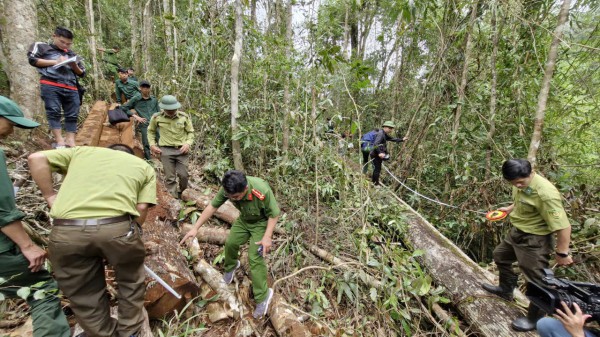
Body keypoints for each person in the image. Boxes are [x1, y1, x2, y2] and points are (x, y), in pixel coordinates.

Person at [28, 144, 157, 337]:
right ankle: (129, 332)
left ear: (106, 149)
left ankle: (103, 333)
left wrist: (50, 195)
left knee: (83, 291)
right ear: (130, 155)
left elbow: (36, 158)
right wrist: (130, 236)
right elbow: (141, 208)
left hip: (67, 231)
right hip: (116, 227)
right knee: (130, 280)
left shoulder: (81, 152)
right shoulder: (143, 166)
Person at [0, 96, 71, 337]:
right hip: (3, 249)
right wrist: (27, 245)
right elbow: (2, 208)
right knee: (41, 290)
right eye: (10, 123)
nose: (11, 131)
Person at [481, 159, 573, 331]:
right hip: (518, 231)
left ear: (531, 173)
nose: (518, 185)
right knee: (500, 256)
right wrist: (509, 209)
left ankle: (535, 320)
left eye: (521, 182)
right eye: (514, 183)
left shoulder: (545, 194)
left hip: (535, 240)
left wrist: (562, 253)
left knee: (537, 280)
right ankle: (505, 290)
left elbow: (564, 226)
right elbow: (522, 200)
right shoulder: (519, 180)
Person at [180, 170, 280, 319]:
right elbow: (212, 207)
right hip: (244, 220)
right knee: (231, 242)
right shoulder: (228, 189)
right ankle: (231, 266)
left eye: (236, 197)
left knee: (255, 257)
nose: (233, 199)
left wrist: (267, 236)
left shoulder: (261, 190)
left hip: (261, 223)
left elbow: (274, 214)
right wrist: (195, 228)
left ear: (245, 189)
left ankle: (263, 296)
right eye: (230, 197)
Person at [28, 26, 85, 148]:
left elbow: (82, 73)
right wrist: (55, 62)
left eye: (68, 44)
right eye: (62, 42)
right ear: (54, 36)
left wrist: (73, 64)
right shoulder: (42, 47)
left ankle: (70, 140)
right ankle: (59, 140)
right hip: (51, 85)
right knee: (53, 111)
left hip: (71, 87)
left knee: (72, 114)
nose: (65, 46)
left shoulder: (71, 54)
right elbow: (32, 60)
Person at [147, 95, 194, 198]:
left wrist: (187, 143)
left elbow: (190, 132)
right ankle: (173, 198)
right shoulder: (156, 117)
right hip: (165, 150)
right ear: (163, 108)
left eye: (173, 109)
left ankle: (184, 194)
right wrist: (152, 144)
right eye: (168, 110)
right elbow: (151, 131)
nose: (171, 111)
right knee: (170, 177)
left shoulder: (184, 117)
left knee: (184, 175)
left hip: (182, 150)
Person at [121, 80, 160, 160]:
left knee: (161, 141)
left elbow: (158, 111)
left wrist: (158, 117)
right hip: (144, 123)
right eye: (143, 87)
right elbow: (124, 108)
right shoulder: (136, 99)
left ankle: (163, 158)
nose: (145, 89)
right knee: (146, 143)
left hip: (155, 124)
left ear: (149, 89)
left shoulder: (154, 99)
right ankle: (149, 161)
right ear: (140, 88)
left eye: (147, 87)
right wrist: (136, 116)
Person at [362, 121, 408, 186]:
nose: (391, 130)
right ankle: (375, 184)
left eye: (391, 128)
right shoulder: (381, 134)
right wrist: (380, 153)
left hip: (376, 153)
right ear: (385, 127)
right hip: (375, 153)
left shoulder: (383, 133)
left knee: (377, 168)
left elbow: (391, 138)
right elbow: (376, 144)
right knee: (377, 169)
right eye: (390, 128)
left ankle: (374, 181)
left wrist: (402, 139)